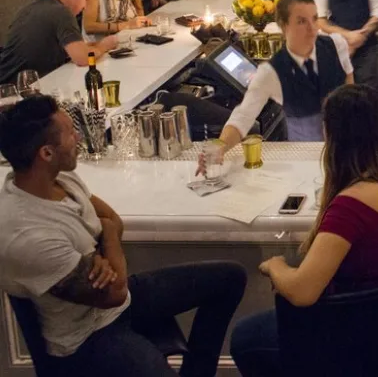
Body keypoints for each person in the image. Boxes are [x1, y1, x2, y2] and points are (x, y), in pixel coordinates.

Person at [0, 94, 246, 376]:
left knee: (230, 278)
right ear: (46, 153)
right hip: (87, 337)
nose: (79, 137)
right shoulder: (26, 234)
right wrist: (109, 239)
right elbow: (114, 290)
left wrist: (105, 246)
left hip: (120, 300)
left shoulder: (59, 178)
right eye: (71, 133)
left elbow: (113, 219)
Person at [230, 86, 378, 376]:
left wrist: (276, 267)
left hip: (366, 333)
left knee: (245, 338)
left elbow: (303, 292)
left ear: (332, 136)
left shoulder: (350, 207)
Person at [199, 0, 353, 162]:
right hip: (305, 158)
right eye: (301, 21)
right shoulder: (271, 72)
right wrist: (220, 147)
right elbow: (243, 117)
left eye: (314, 19)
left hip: (346, 148)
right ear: (284, 26)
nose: (312, 29)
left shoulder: (336, 44)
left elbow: (350, 87)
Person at [0, 0, 117, 80]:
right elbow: (82, 58)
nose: (85, 6)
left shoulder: (29, 9)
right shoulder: (62, 12)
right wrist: (104, 46)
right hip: (18, 88)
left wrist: (93, 46)